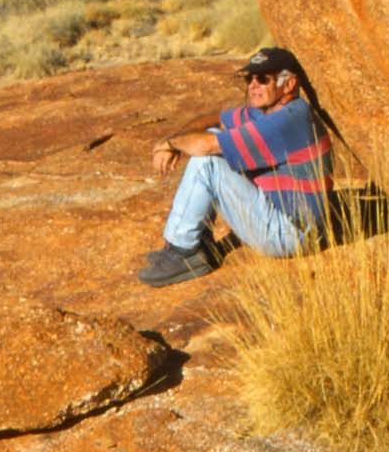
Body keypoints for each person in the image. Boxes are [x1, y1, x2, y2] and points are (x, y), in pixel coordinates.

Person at [138, 46, 334, 288]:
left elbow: (207, 147)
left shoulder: (290, 118)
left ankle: (184, 250)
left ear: (289, 83)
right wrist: (177, 138)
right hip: (281, 216)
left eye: (263, 79)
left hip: (292, 233)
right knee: (210, 135)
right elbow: (215, 120)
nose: (253, 85)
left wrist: (170, 143)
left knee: (208, 160)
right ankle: (198, 242)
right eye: (249, 79)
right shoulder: (265, 111)